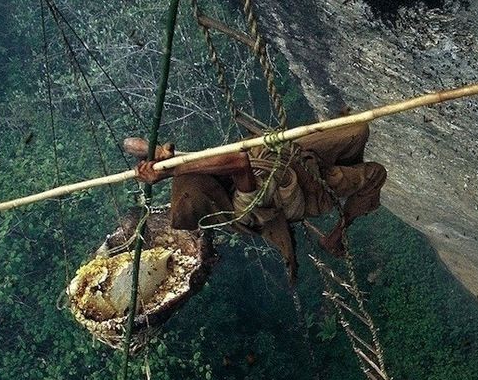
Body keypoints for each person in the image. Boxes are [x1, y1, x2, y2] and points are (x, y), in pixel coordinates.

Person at [123, 121, 386, 284]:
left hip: (291, 156)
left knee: (358, 130)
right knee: (375, 173)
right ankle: (338, 232)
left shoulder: (209, 174)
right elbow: (238, 161)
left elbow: (130, 144)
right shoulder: (240, 210)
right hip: (309, 189)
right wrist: (171, 171)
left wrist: (160, 156)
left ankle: (345, 164)